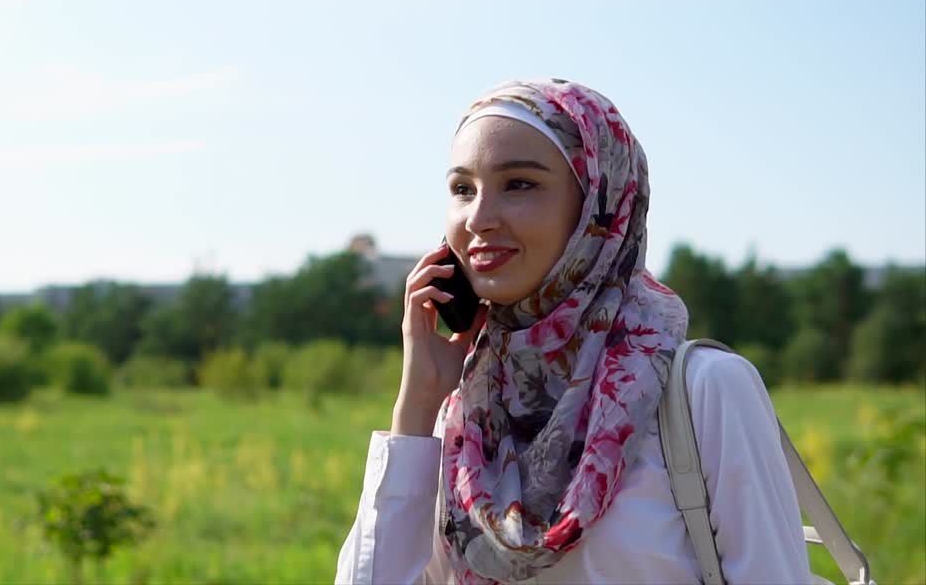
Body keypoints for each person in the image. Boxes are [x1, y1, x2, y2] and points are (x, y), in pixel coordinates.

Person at [335, 79, 810, 584]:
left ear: (596, 208)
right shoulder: (461, 414)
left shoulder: (705, 391)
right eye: (462, 189)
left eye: (519, 184)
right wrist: (415, 408)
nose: (479, 218)